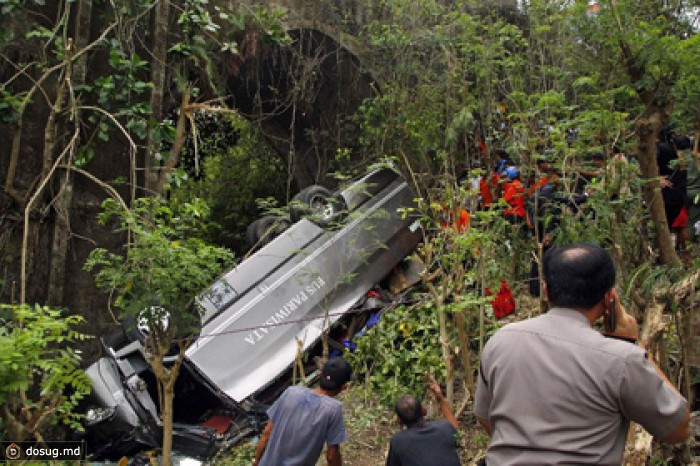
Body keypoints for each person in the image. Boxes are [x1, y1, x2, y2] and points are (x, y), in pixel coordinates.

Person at [474, 243, 690, 464]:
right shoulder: (622, 359)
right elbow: (678, 429)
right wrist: (633, 344)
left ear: (547, 290)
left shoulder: (501, 340)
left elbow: (485, 417)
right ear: (609, 298)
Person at [254, 357, 353, 466]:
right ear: (344, 386)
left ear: (320, 375)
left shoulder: (291, 393)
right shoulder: (333, 410)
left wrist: (257, 462)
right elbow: (331, 456)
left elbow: (267, 433)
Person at [386, 381, 461, 466]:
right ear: (424, 411)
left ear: (399, 420)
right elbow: (456, 430)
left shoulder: (398, 441)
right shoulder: (444, 428)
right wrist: (440, 398)